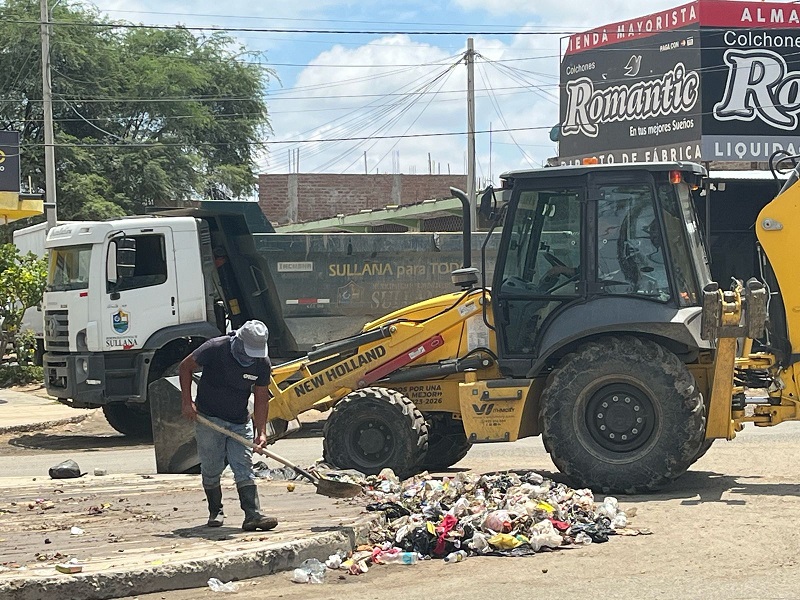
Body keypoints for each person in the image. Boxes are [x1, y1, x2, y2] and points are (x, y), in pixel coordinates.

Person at [180, 320, 278, 531]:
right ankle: (216, 510)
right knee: (211, 466)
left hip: (239, 421)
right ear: (239, 341)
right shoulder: (215, 348)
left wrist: (261, 432)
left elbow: (261, 397)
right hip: (209, 418)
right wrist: (187, 403)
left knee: (243, 464)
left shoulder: (261, 363)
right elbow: (185, 367)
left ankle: (253, 515)